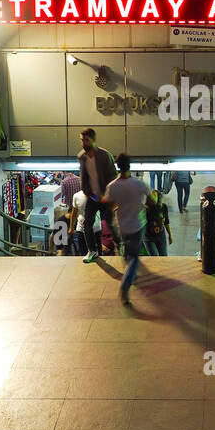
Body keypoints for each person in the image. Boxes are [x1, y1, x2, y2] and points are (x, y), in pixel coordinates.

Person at [102, 153, 149, 305]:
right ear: (130, 166)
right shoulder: (138, 184)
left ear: (118, 167)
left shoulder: (113, 186)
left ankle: (130, 274)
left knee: (127, 254)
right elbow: (152, 199)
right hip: (137, 225)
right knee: (134, 258)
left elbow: (107, 204)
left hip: (121, 226)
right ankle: (125, 285)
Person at [77, 128, 117, 263]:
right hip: (92, 197)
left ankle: (120, 247)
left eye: (86, 140)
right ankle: (92, 251)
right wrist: (86, 190)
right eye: (82, 140)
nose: (83, 143)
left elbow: (113, 177)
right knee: (86, 223)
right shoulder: (82, 157)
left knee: (111, 224)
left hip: (106, 197)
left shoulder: (105, 156)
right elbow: (83, 176)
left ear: (93, 140)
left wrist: (109, 197)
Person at [142, 189, 173, 256]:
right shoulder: (146, 209)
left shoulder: (163, 207)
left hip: (161, 236)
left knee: (164, 255)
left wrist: (170, 235)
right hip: (148, 238)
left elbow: (166, 222)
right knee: (154, 257)